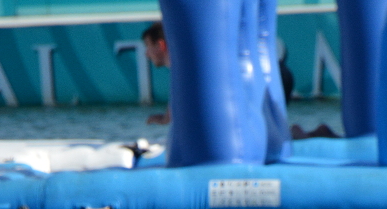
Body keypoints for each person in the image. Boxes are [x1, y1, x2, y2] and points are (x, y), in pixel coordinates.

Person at [141, 22, 339, 138]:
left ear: (161, 45)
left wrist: (166, 119)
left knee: (253, 136)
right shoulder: (187, 60)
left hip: (263, 77)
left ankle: (305, 133)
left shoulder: (184, 62)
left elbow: (179, 105)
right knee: (265, 134)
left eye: (148, 46)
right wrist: (166, 118)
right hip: (275, 71)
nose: (146, 54)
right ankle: (311, 133)